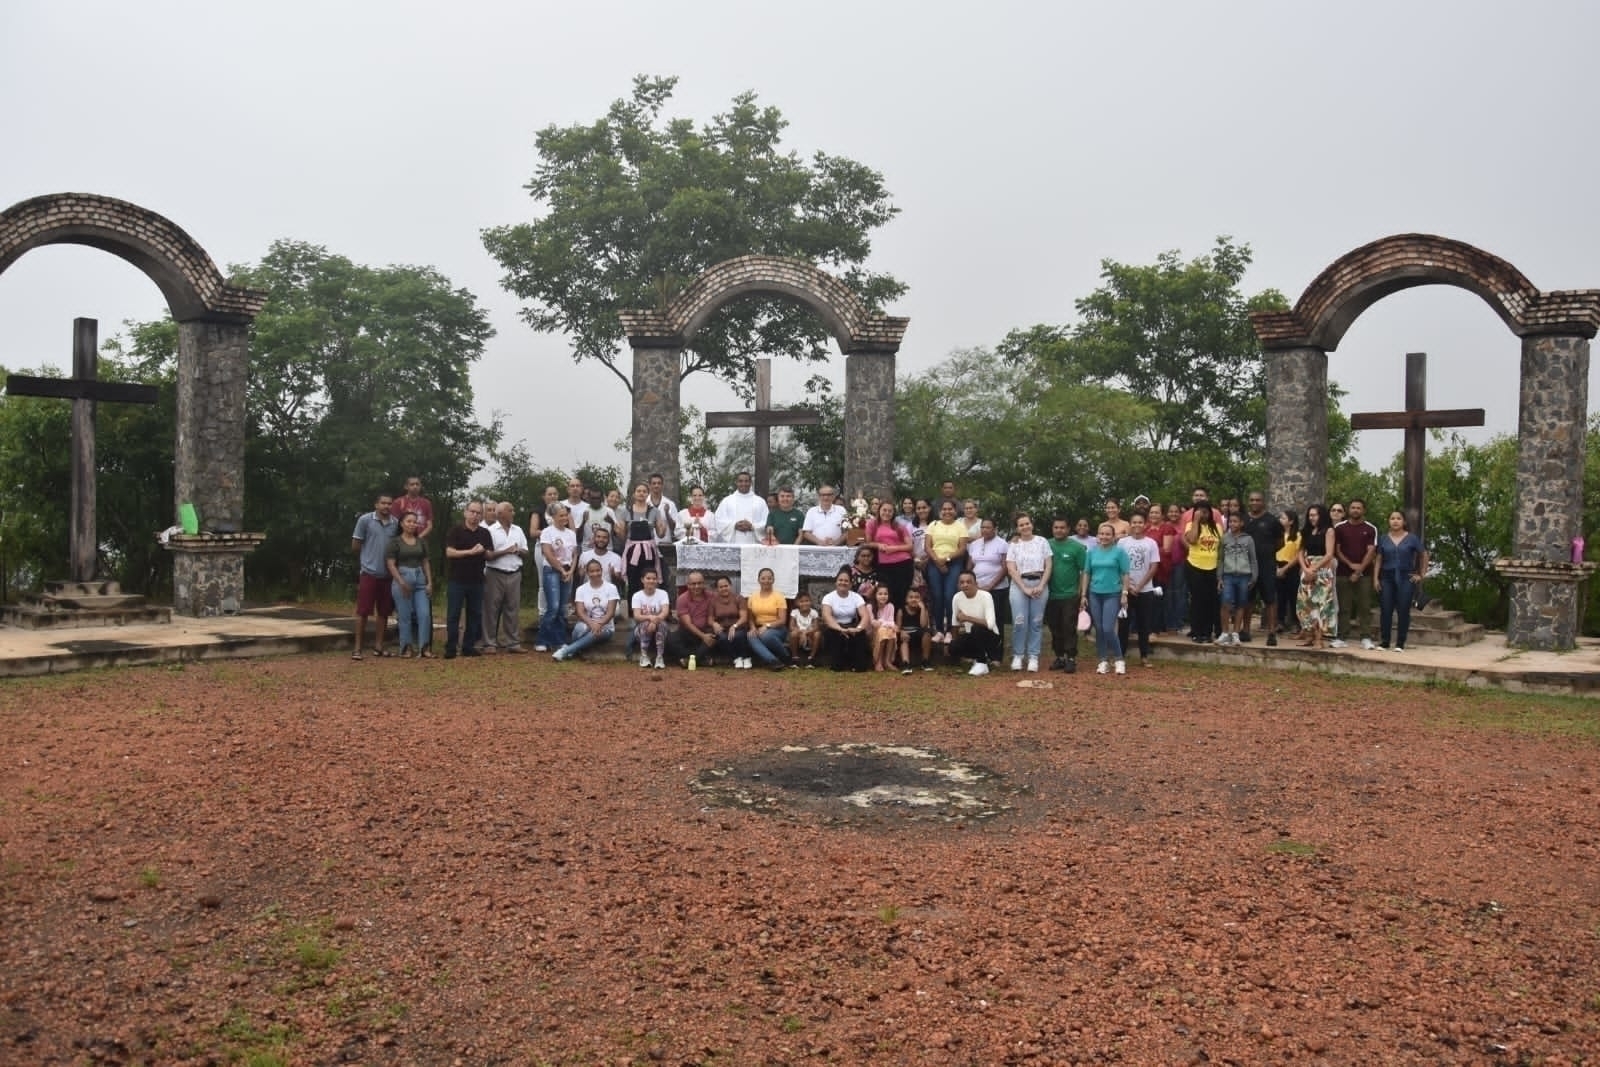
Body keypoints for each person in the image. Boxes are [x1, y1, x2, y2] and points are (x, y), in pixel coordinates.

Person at [443, 500, 494, 659]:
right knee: (453, 614)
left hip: (477, 580)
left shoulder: (484, 533)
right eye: (472, 511)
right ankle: (451, 647)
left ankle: (468, 646)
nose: (475, 515)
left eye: (478, 513)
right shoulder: (456, 531)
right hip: (457, 580)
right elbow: (450, 552)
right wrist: (470, 552)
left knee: (475, 614)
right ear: (465, 512)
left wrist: (484, 551)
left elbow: (491, 554)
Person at [350, 492, 398, 660]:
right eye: (383, 503)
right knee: (363, 612)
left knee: (384, 612)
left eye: (389, 503)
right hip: (369, 572)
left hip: (387, 575)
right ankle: (357, 648)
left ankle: (378, 646)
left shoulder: (395, 524)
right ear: (376, 504)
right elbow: (356, 545)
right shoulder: (365, 520)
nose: (386, 506)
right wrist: (367, 559)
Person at [481, 501, 530, 654]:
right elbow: (487, 555)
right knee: (491, 609)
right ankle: (489, 643)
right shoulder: (490, 531)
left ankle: (513, 643)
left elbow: (526, 551)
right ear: (501, 513)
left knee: (512, 609)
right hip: (495, 573)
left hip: (514, 573)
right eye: (511, 510)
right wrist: (506, 551)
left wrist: (518, 551)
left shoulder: (518, 530)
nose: (513, 513)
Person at [1375, 510, 1428, 651]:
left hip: (1406, 577)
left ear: (1404, 521)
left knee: (1403, 610)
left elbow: (1423, 554)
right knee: (1386, 609)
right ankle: (1385, 641)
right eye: (1392, 518)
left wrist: (1421, 574)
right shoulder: (1383, 539)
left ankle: (1400, 643)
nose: (1395, 521)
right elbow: (1379, 559)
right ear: (1389, 521)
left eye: (1398, 518)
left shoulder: (1411, 538)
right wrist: (1375, 578)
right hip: (1387, 577)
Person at [1005, 513, 1051, 673]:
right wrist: (1024, 588)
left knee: (1036, 622)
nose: (1025, 527)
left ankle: (1033, 656)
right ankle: (1018, 655)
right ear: (1017, 528)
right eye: (1021, 525)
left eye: (1027, 523)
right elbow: (1011, 568)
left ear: (1032, 524)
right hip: (1019, 585)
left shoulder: (1042, 542)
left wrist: (1042, 585)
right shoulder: (1014, 545)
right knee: (1019, 621)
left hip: (1039, 583)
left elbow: (1048, 565)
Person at [1084, 522, 1131, 675]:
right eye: (1101, 534)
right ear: (1098, 535)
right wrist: (1083, 595)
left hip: (1113, 593)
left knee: (1108, 628)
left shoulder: (1119, 552)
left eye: (1107, 534)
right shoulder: (1091, 552)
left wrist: (1124, 593)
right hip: (1094, 593)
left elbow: (1125, 574)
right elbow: (1087, 573)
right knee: (1098, 629)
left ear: (1113, 536)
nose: (1104, 537)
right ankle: (1103, 660)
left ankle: (1119, 659)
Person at [385, 510, 432, 658]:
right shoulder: (395, 542)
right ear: (402, 523)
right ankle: (406, 647)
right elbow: (391, 564)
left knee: (424, 614)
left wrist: (429, 582)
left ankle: (424, 647)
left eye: (414, 521)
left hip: (419, 579)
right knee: (405, 616)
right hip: (402, 577)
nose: (412, 524)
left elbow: (425, 562)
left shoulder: (421, 542)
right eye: (409, 521)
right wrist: (401, 582)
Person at [552, 559, 620, 661]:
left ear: (602, 570)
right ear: (587, 573)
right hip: (587, 623)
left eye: (598, 570)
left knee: (594, 633)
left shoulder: (611, 588)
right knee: (580, 629)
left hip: (606, 627)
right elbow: (580, 612)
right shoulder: (581, 589)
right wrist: (592, 624)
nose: (595, 573)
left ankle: (565, 651)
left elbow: (611, 613)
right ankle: (573, 650)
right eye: (592, 571)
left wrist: (599, 624)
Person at [1333, 499, 1379, 649]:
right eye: (1353, 507)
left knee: (1364, 607)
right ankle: (1341, 637)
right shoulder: (1339, 528)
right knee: (1344, 607)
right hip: (1343, 572)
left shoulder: (1371, 528)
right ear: (1348, 510)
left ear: (1363, 510)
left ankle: (1366, 637)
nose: (1355, 510)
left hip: (1364, 574)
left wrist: (1358, 570)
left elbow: (1371, 551)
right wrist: (1350, 565)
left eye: (1359, 508)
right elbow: (1337, 550)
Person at [1116, 512, 1160, 665]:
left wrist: (1140, 585)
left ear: (1144, 524)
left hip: (1146, 590)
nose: (1137, 525)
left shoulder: (1151, 543)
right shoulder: (1122, 543)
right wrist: (1128, 586)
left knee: (1144, 624)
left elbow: (1154, 567)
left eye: (1140, 522)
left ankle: (1144, 656)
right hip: (1126, 590)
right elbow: (1119, 566)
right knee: (1124, 624)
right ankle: (1120, 655)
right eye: (1134, 522)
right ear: (1130, 524)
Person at [1045, 516, 1087, 673]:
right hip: (1050, 594)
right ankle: (1059, 657)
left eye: (1062, 527)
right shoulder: (1046, 545)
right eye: (1056, 527)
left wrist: (1081, 592)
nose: (1059, 530)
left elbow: (1084, 571)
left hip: (1070, 594)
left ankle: (1071, 659)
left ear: (1068, 529)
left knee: (1068, 627)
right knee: (1054, 628)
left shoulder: (1077, 548)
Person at [1241, 492, 1283, 645]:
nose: (1255, 502)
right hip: (1247, 566)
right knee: (1248, 599)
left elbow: (1280, 543)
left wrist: (1267, 552)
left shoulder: (1272, 521)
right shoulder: (1243, 520)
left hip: (1267, 565)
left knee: (1270, 599)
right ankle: (1245, 630)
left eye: (1258, 500)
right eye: (1252, 500)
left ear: (1263, 502)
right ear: (1248, 502)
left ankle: (1271, 632)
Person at [924, 499, 969, 641]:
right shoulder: (933, 525)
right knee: (937, 596)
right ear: (940, 511)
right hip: (934, 562)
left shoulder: (960, 526)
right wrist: (938, 561)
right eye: (944, 509)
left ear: (955, 511)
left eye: (950, 509)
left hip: (954, 563)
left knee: (950, 596)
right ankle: (938, 630)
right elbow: (927, 547)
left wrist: (946, 559)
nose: (947, 511)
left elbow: (962, 549)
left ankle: (950, 629)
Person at [535, 504, 578, 653]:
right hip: (552, 570)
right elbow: (547, 553)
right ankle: (542, 639)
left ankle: (559, 641)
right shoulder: (547, 532)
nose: (564, 518)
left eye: (566, 515)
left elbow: (574, 554)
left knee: (562, 608)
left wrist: (571, 571)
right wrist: (560, 569)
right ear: (553, 517)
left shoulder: (571, 534)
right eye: (561, 515)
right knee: (552, 606)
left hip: (567, 570)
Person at [1295, 505, 1338, 650]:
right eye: (1310, 515)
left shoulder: (1329, 531)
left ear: (1322, 515)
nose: (1312, 517)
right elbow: (1300, 551)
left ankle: (1319, 639)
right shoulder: (1306, 531)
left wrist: (1313, 569)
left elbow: (1329, 554)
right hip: (1307, 567)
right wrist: (1306, 568)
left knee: (1320, 604)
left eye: (1315, 515)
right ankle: (1309, 636)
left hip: (1322, 569)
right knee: (1305, 603)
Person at [618, 484, 668, 601]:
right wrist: (618, 530)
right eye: (638, 491)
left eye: (644, 491)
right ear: (634, 494)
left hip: (648, 551)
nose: (641, 493)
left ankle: (650, 607)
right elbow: (623, 536)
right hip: (632, 551)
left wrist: (663, 528)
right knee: (633, 580)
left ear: (647, 493)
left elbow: (660, 534)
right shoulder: (626, 512)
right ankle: (633, 613)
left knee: (649, 579)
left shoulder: (654, 511)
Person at [946, 570, 1001, 675]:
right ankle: (979, 657)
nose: (965, 585)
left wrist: (967, 618)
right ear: (958, 585)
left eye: (968, 582)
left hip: (991, 637)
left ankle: (982, 663)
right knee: (953, 647)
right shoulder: (957, 597)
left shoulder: (986, 596)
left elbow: (990, 624)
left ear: (976, 584)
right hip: (972, 636)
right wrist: (954, 642)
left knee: (976, 628)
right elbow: (955, 623)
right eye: (961, 582)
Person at [1217, 511, 1259, 646]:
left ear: (1241, 523)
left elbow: (1253, 559)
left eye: (1235, 521)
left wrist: (1254, 576)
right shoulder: (1224, 539)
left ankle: (1235, 633)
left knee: (1241, 604)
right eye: (1230, 522)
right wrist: (1219, 577)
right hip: (1228, 575)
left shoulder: (1248, 539)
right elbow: (1221, 559)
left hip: (1244, 576)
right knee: (1225, 602)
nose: (1232, 524)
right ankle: (1224, 633)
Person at [1182, 502, 1222, 644]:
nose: (1203, 514)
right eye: (1200, 512)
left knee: (1210, 601)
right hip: (1195, 566)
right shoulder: (1191, 525)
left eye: (1205, 512)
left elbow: (1220, 548)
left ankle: (1207, 632)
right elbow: (1192, 540)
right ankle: (1196, 632)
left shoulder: (1217, 527)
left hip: (1212, 568)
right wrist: (1196, 521)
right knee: (1197, 600)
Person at [969, 518, 1011, 648]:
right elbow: (970, 565)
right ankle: (980, 652)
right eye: (982, 527)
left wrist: (990, 586)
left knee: (995, 620)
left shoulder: (1002, 544)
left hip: (997, 589)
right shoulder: (974, 544)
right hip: (978, 588)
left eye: (988, 527)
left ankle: (996, 655)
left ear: (995, 529)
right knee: (978, 620)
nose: (984, 530)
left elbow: (1005, 568)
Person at [820, 566, 871, 672]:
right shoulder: (828, 597)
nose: (843, 583)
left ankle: (857, 663)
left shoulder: (857, 597)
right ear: (836, 582)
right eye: (840, 580)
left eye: (846, 581)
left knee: (861, 665)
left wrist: (858, 628)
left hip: (852, 627)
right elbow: (827, 616)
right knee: (836, 666)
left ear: (851, 584)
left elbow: (865, 616)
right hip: (835, 627)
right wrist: (840, 629)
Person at [865, 500, 914, 608]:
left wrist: (894, 548)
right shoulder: (872, 524)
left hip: (903, 563)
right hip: (884, 564)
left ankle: (899, 621)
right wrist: (878, 545)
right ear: (879, 511)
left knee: (901, 594)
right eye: (884, 510)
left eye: (890, 511)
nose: (887, 513)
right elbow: (868, 542)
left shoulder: (898, 526)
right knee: (887, 594)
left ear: (893, 513)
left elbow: (910, 545)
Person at [746, 567, 791, 670]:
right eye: (763, 578)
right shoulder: (753, 597)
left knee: (766, 636)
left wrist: (767, 626)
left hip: (778, 628)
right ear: (758, 580)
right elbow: (750, 617)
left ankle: (785, 655)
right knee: (751, 637)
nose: (766, 581)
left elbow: (782, 620)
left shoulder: (779, 596)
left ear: (773, 580)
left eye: (769, 578)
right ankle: (773, 661)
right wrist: (752, 628)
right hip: (759, 627)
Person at [667, 571, 717, 666]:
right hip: (688, 632)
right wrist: (703, 636)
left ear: (704, 584)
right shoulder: (682, 599)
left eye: (699, 583)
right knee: (670, 640)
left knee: (716, 637)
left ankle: (688, 660)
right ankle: (701, 659)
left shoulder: (712, 596)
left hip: (707, 630)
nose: (697, 586)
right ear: (688, 585)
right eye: (693, 584)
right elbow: (688, 624)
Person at [630, 568, 671, 669]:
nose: (651, 581)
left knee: (661, 625)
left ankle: (659, 657)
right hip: (642, 629)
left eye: (654, 578)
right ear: (642, 580)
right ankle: (644, 656)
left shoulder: (663, 594)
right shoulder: (637, 596)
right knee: (645, 624)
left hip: (660, 627)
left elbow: (665, 612)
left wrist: (655, 621)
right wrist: (650, 617)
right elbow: (637, 616)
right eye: (648, 578)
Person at [714, 471, 769, 545]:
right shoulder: (727, 501)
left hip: (754, 543)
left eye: (746, 481)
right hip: (733, 543)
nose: (744, 484)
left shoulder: (760, 501)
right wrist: (734, 525)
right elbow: (719, 520)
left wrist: (752, 527)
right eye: (740, 481)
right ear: (736, 482)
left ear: (751, 483)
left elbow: (767, 521)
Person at [1274, 509, 1302, 637]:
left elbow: (1298, 555)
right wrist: (1276, 568)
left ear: (1291, 521)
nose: (1281, 520)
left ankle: (1296, 623)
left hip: (1291, 567)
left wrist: (1285, 569)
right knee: (1280, 597)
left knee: (1293, 597)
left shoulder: (1298, 536)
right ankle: (1280, 622)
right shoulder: (1277, 535)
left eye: (1283, 518)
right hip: (1277, 565)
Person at [1163, 502, 1189, 633]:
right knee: (1167, 593)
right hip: (1166, 565)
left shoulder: (1184, 527)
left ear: (1181, 513)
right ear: (1167, 514)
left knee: (1179, 593)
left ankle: (1179, 621)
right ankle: (1169, 622)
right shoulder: (1164, 526)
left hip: (1180, 564)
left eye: (1176, 511)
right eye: (1171, 511)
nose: (1173, 514)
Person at [899, 587, 932, 672]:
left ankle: (925, 661)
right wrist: (902, 632)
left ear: (920, 599)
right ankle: (906, 663)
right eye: (911, 597)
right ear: (906, 599)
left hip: (918, 635)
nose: (914, 599)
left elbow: (923, 625)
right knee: (904, 640)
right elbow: (897, 627)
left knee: (927, 634)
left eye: (917, 597)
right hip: (906, 636)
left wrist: (923, 609)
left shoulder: (923, 610)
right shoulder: (901, 610)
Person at [788, 590, 821, 668]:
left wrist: (806, 633)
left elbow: (816, 627)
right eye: (801, 601)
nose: (805, 603)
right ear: (797, 603)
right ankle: (795, 658)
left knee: (817, 634)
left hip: (810, 635)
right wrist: (801, 633)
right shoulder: (795, 612)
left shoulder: (814, 612)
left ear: (811, 601)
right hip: (799, 636)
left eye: (807, 601)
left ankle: (811, 658)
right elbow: (791, 626)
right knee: (793, 633)